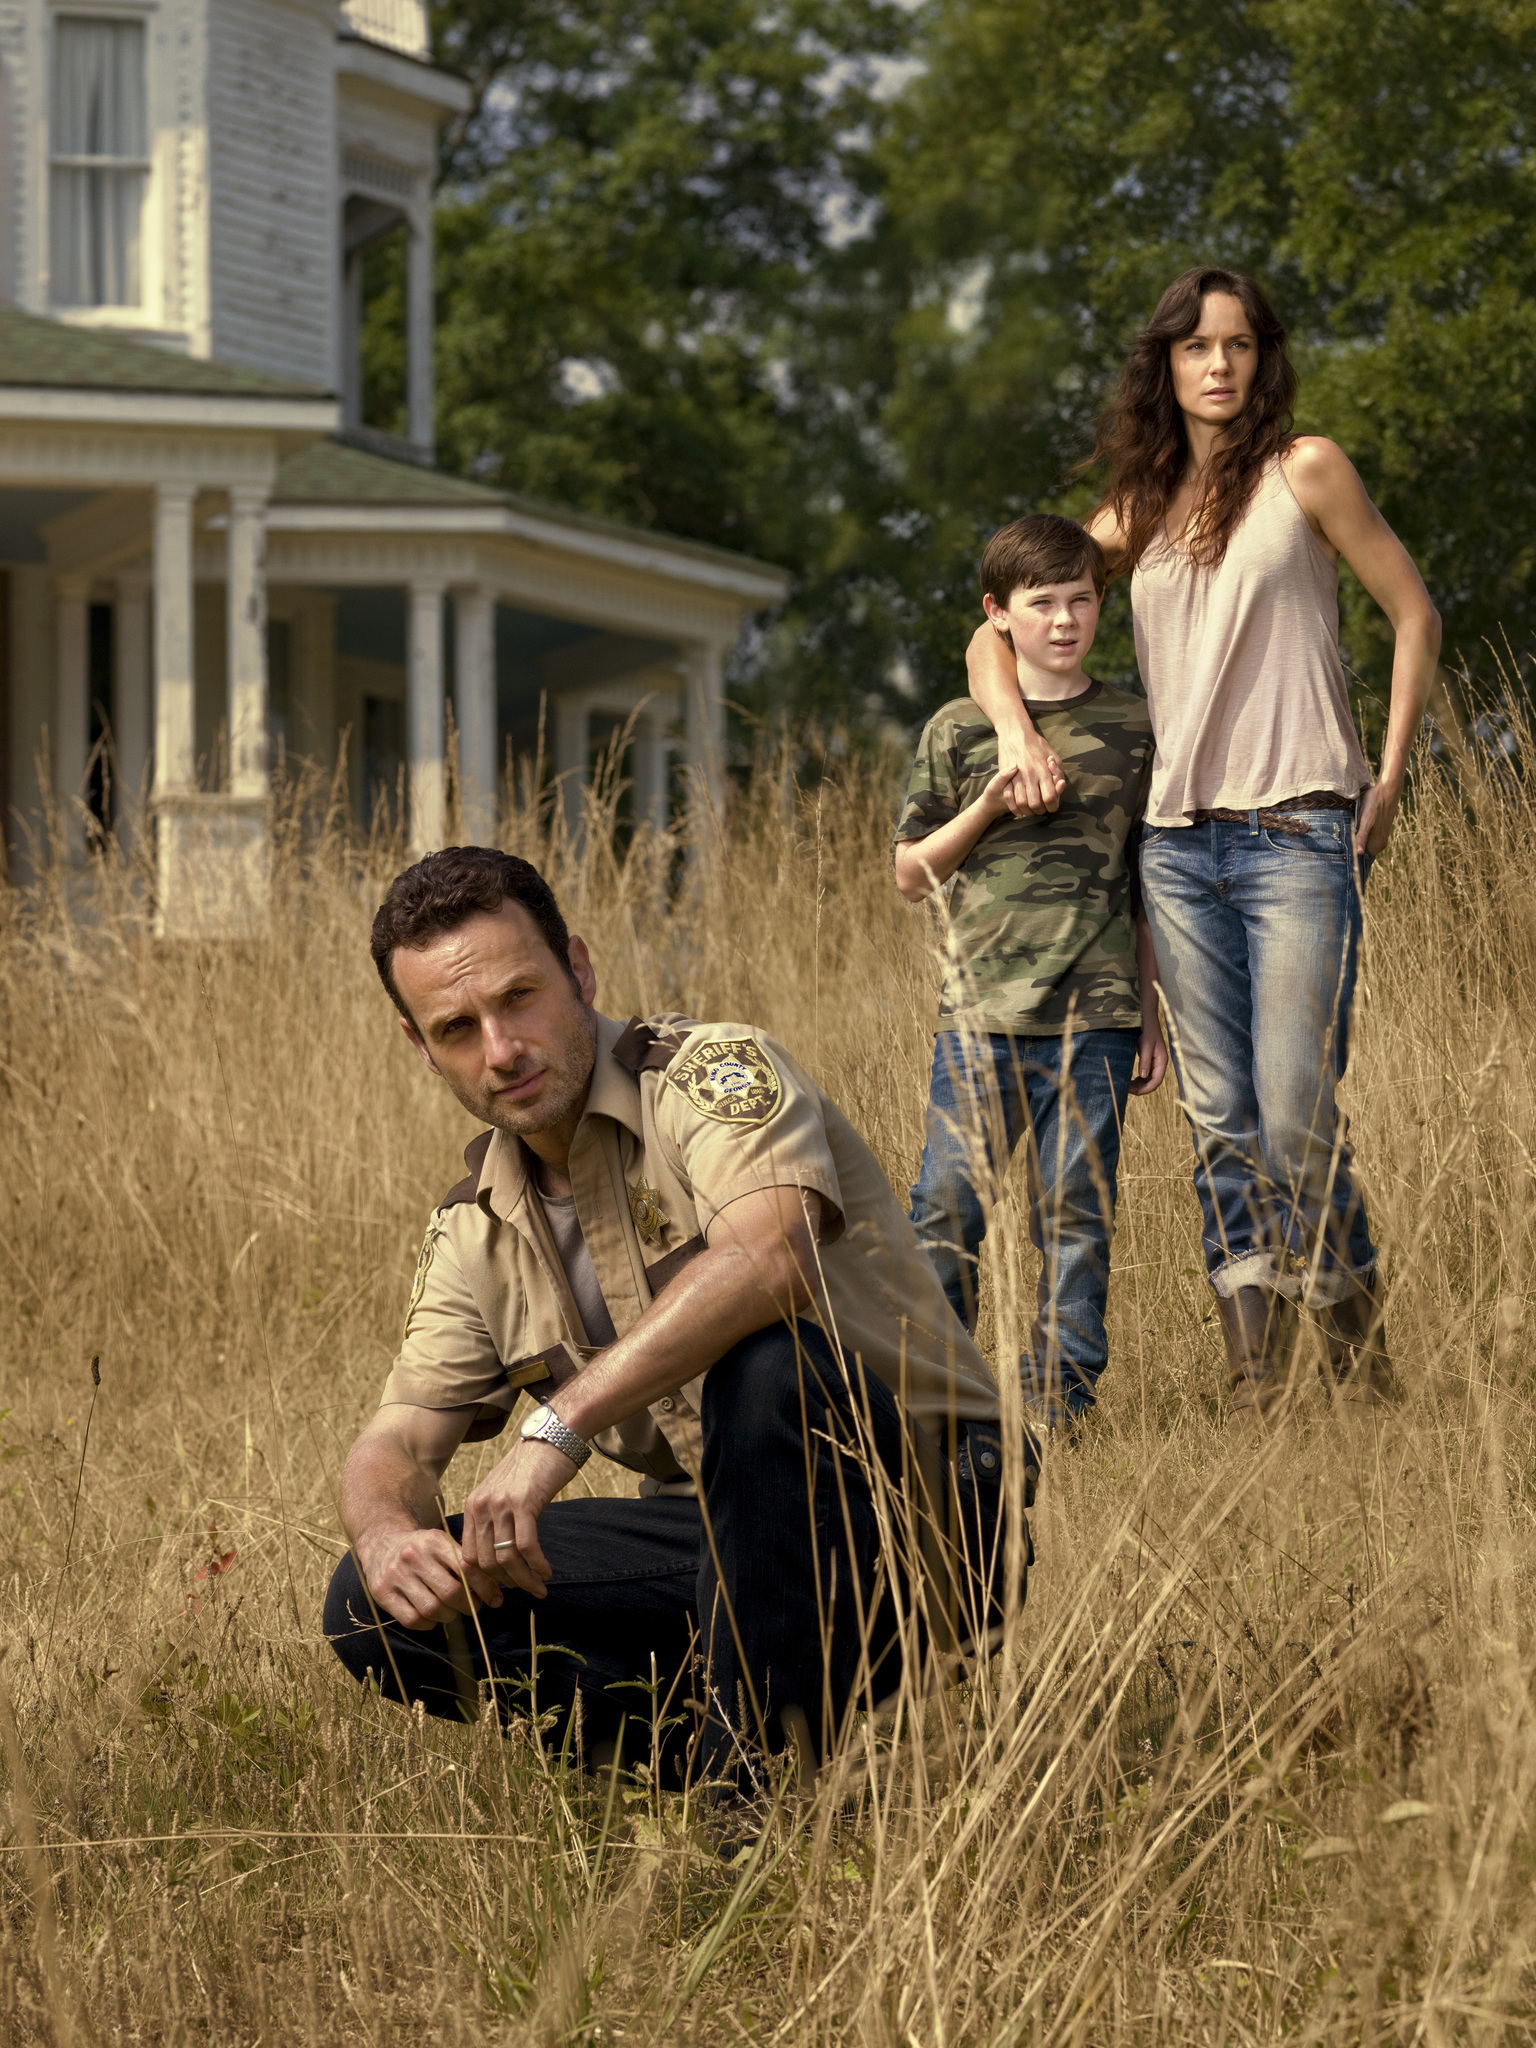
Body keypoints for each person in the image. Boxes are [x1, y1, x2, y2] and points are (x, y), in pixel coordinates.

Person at [324, 846, 1028, 1787]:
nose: (501, 1050)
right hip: (722, 1552)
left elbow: (771, 1256)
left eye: (519, 997)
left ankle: (753, 1792)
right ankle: (721, 1762)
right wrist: (383, 1537)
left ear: (578, 968)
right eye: (457, 1026)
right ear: (420, 1045)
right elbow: (397, 1448)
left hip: (927, 1516)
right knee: (374, 1608)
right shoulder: (473, 1228)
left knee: (768, 1366)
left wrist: (554, 1431)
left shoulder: (711, 1073)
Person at [965, 267, 1441, 1414]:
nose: (1217, 365)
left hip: (1298, 835)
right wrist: (1018, 729)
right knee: (1219, 1116)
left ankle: (1361, 1367)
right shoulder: (1132, 512)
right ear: (1165, 366)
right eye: (1194, 347)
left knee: (1294, 1109)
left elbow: (1415, 610)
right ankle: (1254, 1376)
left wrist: (1392, 766)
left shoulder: (1307, 470)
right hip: (1172, 850)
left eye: (1235, 344)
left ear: (1261, 359)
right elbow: (994, 628)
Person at [895, 514, 1166, 1432]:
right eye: (1040, 603)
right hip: (979, 1017)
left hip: (1097, 1014)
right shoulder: (959, 729)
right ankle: (938, 1395)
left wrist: (1153, 1017)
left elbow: (1145, 888)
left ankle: (1059, 1402)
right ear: (997, 615)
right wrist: (986, 806)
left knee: (1077, 1217)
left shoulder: (1134, 728)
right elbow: (908, 874)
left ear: (1102, 606)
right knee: (944, 1210)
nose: (1063, 620)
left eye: (1081, 601)